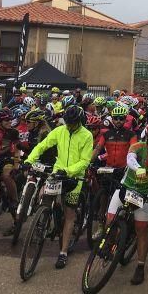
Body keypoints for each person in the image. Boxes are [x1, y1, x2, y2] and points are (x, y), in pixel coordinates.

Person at [25, 105, 93, 269]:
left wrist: (68, 171)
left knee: (69, 215)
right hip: (57, 173)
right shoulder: (59, 130)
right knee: (45, 200)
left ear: (79, 121)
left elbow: (85, 161)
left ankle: (63, 252)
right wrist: (30, 159)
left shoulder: (87, 135)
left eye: (73, 123)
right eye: (67, 122)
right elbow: (43, 145)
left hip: (74, 177)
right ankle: (44, 219)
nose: (69, 126)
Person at [110, 122, 148, 284]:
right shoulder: (137, 147)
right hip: (126, 187)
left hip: (143, 195)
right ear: (147, 139)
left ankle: (140, 266)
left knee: (141, 232)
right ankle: (109, 241)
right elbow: (129, 158)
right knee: (109, 220)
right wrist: (138, 168)